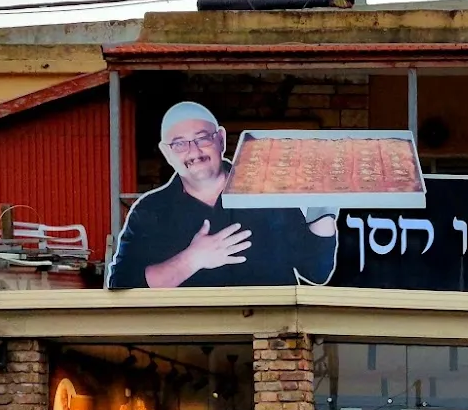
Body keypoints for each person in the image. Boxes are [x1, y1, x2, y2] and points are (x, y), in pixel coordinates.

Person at [107, 101, 339, 288]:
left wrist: (326, 205)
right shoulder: (149, 211)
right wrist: (192, 259)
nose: (194, 151)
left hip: (271, 330)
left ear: (221, 139)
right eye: (179, 144)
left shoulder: (266, 193)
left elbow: (316, 272)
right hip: (193, 332)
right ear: (167, 153)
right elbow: (121, 283)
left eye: (202, 138)